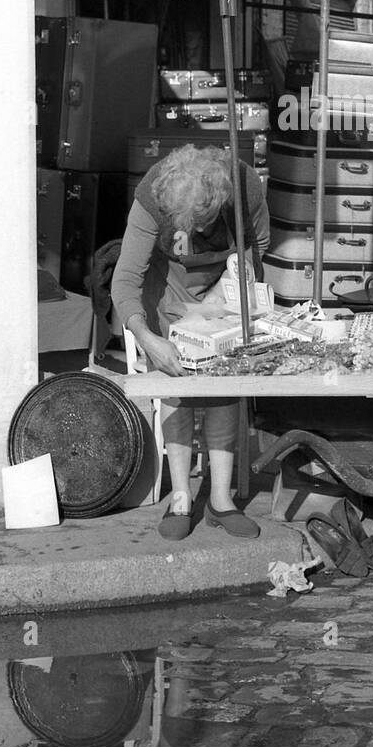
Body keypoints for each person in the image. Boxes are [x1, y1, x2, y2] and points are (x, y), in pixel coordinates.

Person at [109, 145, 268, 541]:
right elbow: (126, 279)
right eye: (185, 223)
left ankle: (220, 499)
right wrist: (147, 339)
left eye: (201, 221)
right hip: (167, 289)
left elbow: (259, 244)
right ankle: (181, 496)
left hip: (224, 287)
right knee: (176, 383)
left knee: (222, 383)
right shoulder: (151, 197)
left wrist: (233, 281)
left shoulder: (245, 186)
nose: (195, 231)